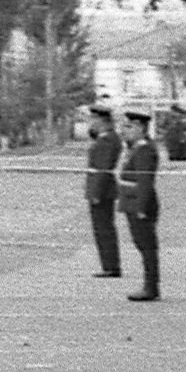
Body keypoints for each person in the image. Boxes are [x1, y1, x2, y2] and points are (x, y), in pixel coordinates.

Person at [117, 108, 163, 303]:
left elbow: (145, 182)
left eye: (128, 127)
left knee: (147, 246)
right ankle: (149, 285)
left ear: (140, 128)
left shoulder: (144, 150)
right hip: (132, 201)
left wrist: (141, 208)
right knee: (142, 244)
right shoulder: (136, 147)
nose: (123, 131)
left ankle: (151, 287)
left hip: (139, 203)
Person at [81, 103, 124, 279]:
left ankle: (111, 266)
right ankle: (109, 264)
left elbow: (103, 168)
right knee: (102, 227)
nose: (91, 122)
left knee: (104, 227)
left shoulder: (107, 140)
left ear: (101, 120)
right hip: (100, 186)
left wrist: (96, 192)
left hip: (102, 188)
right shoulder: (106, 137)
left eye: (93, 119)